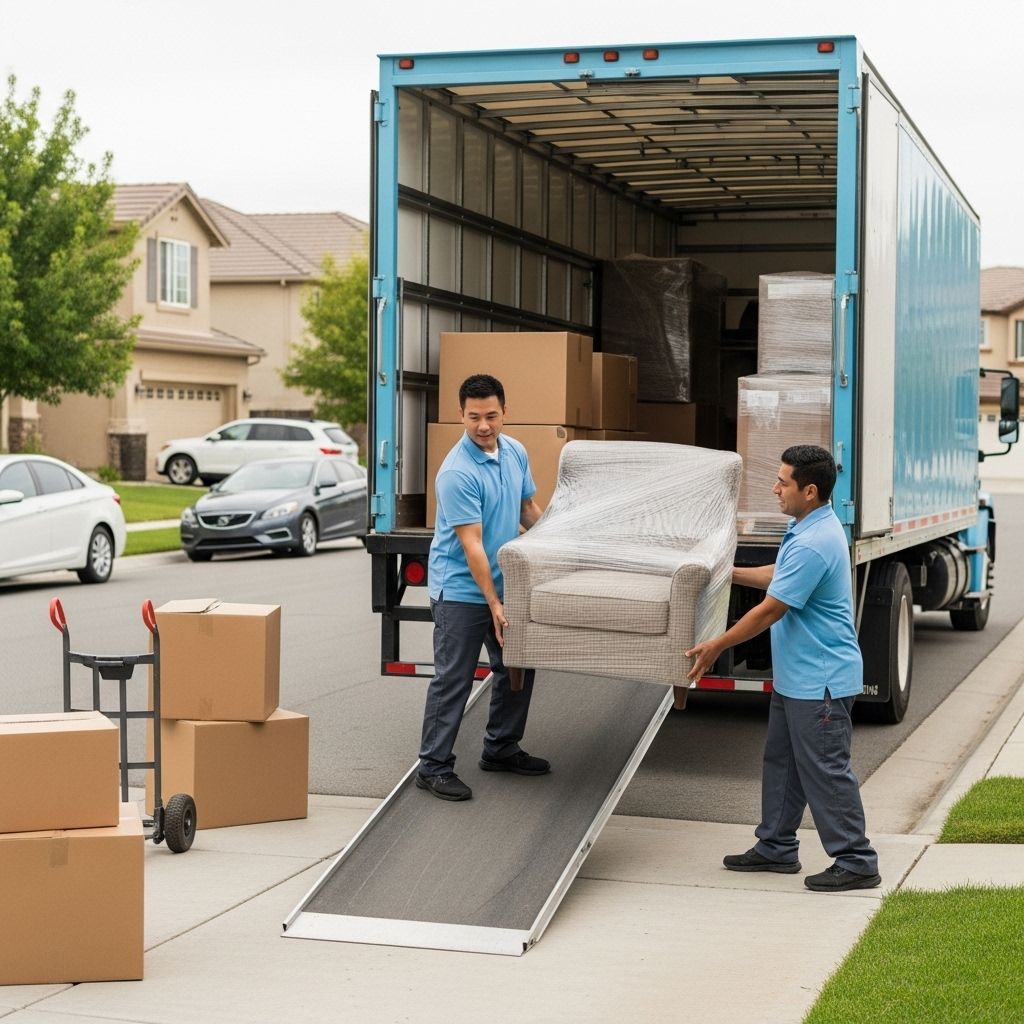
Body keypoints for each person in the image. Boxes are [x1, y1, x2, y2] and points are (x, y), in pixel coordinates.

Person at [685, 444, 880, 893]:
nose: (775, 488)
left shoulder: (815, 540)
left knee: (826, 771)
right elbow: (778, 574)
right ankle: (775, 846)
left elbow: (771, 609)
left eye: (782, 482)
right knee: (783, 764)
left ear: (809, 491)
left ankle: (856, 859)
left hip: (822, 682)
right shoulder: (808, 526)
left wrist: (717, 644)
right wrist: (726, 572)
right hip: (799, 678)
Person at [417, 373, 548, 801]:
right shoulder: (457, 472)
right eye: (474, 417)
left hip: (503, 582)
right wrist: (493, 601)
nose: (483, 426)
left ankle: (501, 748)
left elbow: (528, 509)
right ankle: (433, 766)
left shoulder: (515, 452)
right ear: (461, 415)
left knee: (518, 665)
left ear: (505, 411)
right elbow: (472, 545)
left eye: (491, 415)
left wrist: (559, 544)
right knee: (453, 678)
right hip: (460, 590)